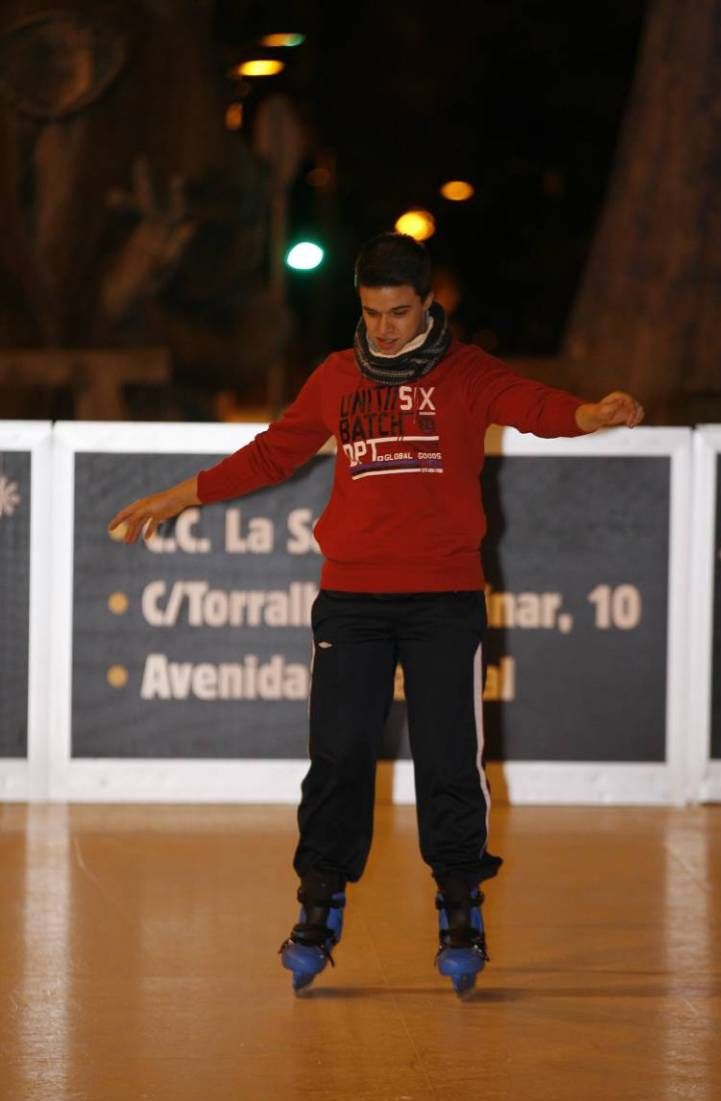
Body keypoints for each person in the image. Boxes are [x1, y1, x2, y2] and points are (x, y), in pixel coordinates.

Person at [109, 232, 644, 996]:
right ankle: (318, 906)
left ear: (429, 304)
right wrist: (181, 493)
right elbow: (272, 453)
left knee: (452, 761)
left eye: (399, 312)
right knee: (338, 756)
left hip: (443, 601)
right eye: (372, 312)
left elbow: (535, 406)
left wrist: (591, 413)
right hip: (352, 602)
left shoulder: (465, 373)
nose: (385, 327)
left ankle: (460, 909)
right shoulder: (336, 376)